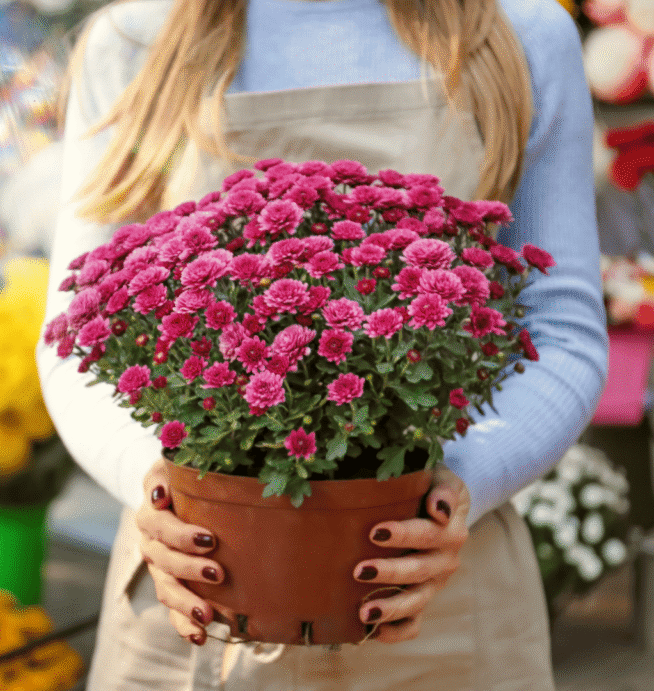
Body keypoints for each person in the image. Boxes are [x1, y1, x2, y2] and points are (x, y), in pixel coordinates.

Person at [36, 0, 608, 688]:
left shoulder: (517, 32)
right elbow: (70, 333)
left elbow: (562, 329)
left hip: (443, 598)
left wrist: (458, 486)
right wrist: (150, 484)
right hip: (190, 589)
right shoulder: (133, 40)